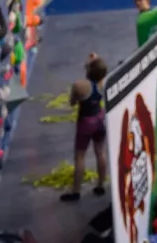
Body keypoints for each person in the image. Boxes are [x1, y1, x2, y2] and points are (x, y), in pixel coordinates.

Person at [61, 54, 109, 202]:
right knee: (100, 152)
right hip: (100, 119)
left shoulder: (79, 86)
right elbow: (99, 70)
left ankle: (76, 191)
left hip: (85, 122)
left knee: (80, 156)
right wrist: (95, 61)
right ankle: (100, 185)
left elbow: (72, 103)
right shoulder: (104, 83)